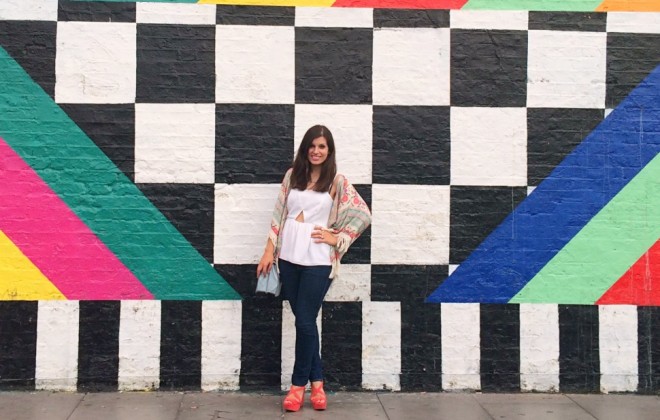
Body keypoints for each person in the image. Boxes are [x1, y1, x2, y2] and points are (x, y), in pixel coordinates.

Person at [256, 125, 371, 412]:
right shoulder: (292, 175)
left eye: (322, 146)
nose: (316, 151)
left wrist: (338, 238)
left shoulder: (337, 181)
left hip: (318, 260)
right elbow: (279, 214)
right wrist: (269, 250)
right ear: (305, 148)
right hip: (288, 257)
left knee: (304, 321)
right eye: (312, 145)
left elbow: (362, 214)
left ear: (329, 151)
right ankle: (317, 383)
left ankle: (297, 387)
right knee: (305, 321)